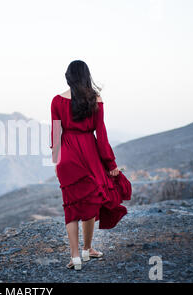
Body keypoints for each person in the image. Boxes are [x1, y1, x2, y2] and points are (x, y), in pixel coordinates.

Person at [50, 60, 128, 270]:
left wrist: (57, 162)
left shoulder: (56, 101)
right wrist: (111, 163)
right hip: (89, 154)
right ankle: (87, 249)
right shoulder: (95, 100)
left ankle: (75, 257)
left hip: (66, 156)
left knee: (71, 206)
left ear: (68, 76)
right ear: (86, 76)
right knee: (91, 202)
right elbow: (101, 136)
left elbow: (55, 136)